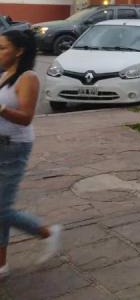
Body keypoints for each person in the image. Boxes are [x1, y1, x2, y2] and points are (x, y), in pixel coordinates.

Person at [0, 30, 62, 279]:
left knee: (1, 209)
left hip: (14, 147)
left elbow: (26, 118)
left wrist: (1, 108)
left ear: (19, 50)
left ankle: (47, 232)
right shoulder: (5, 74)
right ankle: (1, 264)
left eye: (3, 48)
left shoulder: (28, 77)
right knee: (0, 207)